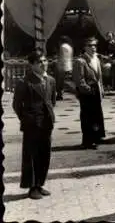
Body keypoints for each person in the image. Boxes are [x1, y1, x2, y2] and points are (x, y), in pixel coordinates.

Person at [13, 51, 56, 199]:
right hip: (32, 124)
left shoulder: (50, 80)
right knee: (31, 156)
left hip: (46, 122)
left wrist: (49, 115)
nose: (44, 64)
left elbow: (52, 100)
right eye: (40, 62)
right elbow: (16, 105)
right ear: (31, 65)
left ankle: (40, 184)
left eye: (45, 61)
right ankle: (32, 187)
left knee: (45, 154)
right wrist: (27, 118)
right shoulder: (24, 82)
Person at [73, 37, 106, 149]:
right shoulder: (80, 61)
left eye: (94, 45)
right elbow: (79, 79)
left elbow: (99, 77)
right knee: (87, 117)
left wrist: (101, 89)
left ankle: (96, 137)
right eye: (90, 45)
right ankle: (87, 140)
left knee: (97, 115)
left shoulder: (96, 59)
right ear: (84, 48)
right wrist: (87, 89)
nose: (93, 48)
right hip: (87, 93)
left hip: (96, 90)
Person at [55, 36, 73, 100]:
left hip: (62, 65)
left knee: (60, 81)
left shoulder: (62, 46)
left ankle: (59, 95)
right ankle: (60, 93)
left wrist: (58, 64)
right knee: (64, 80)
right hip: (69, 65)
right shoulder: (70, 47)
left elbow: (61, 57)